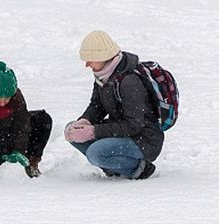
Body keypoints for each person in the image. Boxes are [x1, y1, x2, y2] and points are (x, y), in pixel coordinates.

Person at [64, 31, 163, 179]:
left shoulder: (129, 81)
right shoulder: (103, 75)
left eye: (90, 60)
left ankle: (139, 169)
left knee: (95, 152)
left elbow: (134, 125)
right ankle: (114, 167)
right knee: (72, 131)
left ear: (103, 57)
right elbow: (97, 106)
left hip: (144, 139)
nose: (87, 65)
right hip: (121, 131)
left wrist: (93, 132)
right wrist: (84, 121)